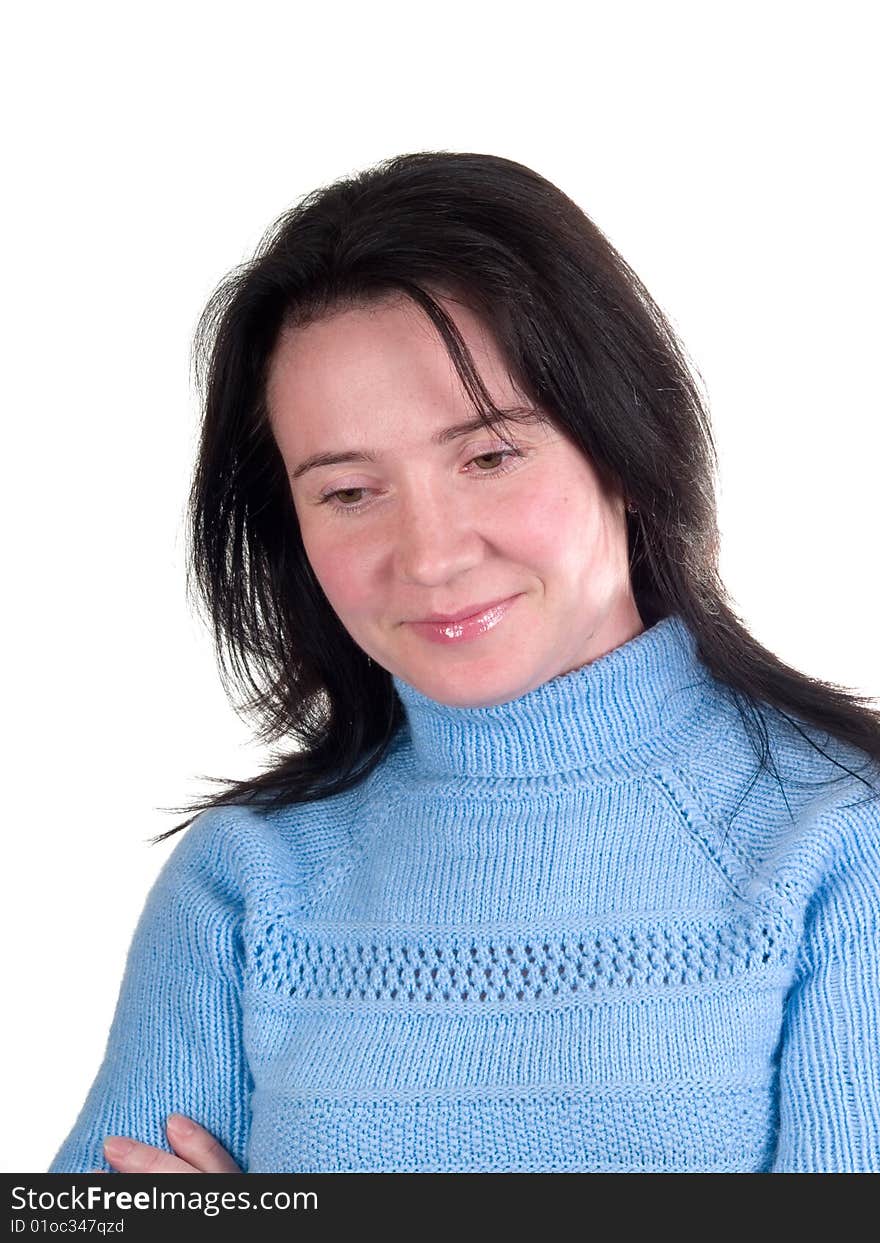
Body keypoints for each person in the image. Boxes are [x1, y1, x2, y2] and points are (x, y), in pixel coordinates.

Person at [49, 151, 880, 1175]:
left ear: (622, 445)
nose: (431, 555)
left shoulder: (843, 842)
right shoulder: (246, 880)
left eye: (488, 457)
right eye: (348, 492)